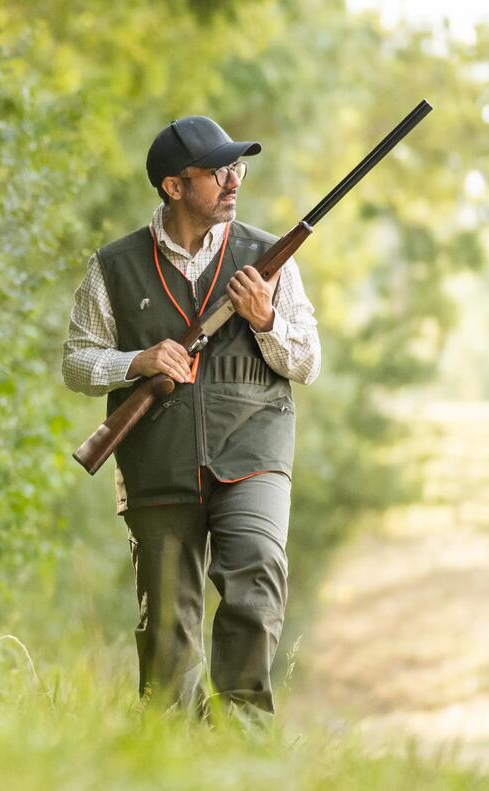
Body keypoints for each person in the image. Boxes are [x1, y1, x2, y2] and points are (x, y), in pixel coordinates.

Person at [61, 115, 321, 718]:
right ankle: (173, 749)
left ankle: (244, 737)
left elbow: (306, 361)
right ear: (174, 187)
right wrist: (138, 362)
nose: (233, 181)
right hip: (157, 455)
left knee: (257, 573)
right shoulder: (114, 267)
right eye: (218, 171)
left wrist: (265, 320)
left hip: (253, 448)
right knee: (166, 624)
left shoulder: (267, 257)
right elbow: (77, 363)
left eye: (238, 168)